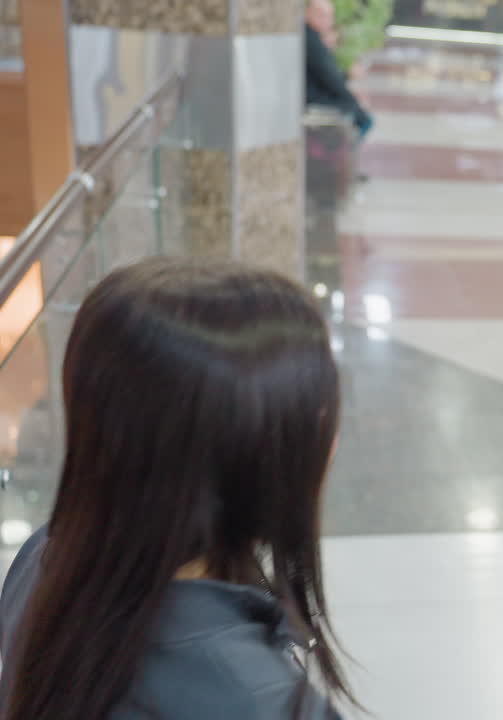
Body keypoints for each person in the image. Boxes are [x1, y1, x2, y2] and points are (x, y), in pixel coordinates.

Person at [0, 259, 353, 719]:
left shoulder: (46, 557)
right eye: (315, 414)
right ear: (251, 455)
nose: (333, 440)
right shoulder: (262, 703)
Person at [305, 0, 374, 139]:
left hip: (314, 95)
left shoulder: (312, 36)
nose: (328, 21)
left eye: (330, 16)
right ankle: (343, 157)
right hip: (312, 99)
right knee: (365, 120)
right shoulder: (312, 41)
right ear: (308, 14)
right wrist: (354, 100)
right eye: (322, 15)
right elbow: (331, 79)